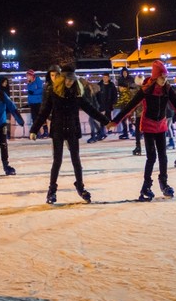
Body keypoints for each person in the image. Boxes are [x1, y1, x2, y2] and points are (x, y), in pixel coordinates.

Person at [29, 66, 110, 204]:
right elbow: (43, 112)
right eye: (67, 80)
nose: (69, 83)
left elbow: (90, 109)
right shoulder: (54, 93)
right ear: (62, 79)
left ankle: (80, 186)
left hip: (72, 130)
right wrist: (34, 129)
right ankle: (52, 190)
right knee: (57, 161)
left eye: (72, 80)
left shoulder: (76, 95)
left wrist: (106, 122)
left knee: (76, 160)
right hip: (58, 131)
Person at [109, 60, 176, 201]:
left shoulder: (167, 89)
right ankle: (146, 186)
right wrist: (116, 121)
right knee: (152, 157)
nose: (165, 80)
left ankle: (163, 183)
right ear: (156, 77)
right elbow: (130, 106)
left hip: (161, 126)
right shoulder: (146, 89)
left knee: (163, 156)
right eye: (162, 77)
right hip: (149, 126)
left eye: (165, 77)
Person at [96, 72, 117, 140]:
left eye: (106, 77)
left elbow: (114, 94)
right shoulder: (99, 85)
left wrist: (114, 102)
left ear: (108, 78)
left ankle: (109, 129)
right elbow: (96, 95)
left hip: (109, 104)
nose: (105, 78)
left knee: (108, 117)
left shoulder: (111, 85)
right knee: (101, 118)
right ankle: (102, 132)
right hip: (101, 104)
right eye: (104, 77)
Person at [26, 69, 44, 136]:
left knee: (39, 117)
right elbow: (29, 92)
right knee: (34, 118)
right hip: (32, 103)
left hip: (38, 102)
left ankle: (43, 131)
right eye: (27, 76)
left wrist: (34, 92)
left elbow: (41, 89)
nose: (27, 77)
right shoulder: (29, 82)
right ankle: (36, 132)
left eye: (28, 75)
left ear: (31, 75)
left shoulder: (38, 80)